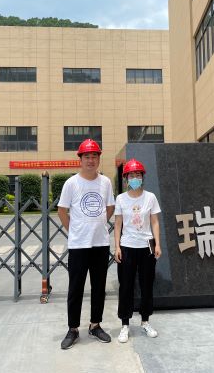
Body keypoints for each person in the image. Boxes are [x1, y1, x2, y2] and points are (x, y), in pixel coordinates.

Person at [58, 139, 115, 350]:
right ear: (80, 159)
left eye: (94, 156)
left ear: (99, 159)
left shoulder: (105, 182)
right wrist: (74, 230)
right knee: (76, 287)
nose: (91, 160)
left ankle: (95, 325)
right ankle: (73, 328)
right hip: (79, 244)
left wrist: (98, 223)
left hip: (100, 243)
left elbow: (110, 207)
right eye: (87, 156)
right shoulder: (71, 183)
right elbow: (62, 211)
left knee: (99, 287)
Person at [114, 158, 161, 343]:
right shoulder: (121, 199)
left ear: (142, 177)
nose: (135, 178)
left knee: (146, 285)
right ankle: (125, 324)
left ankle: (145, 321)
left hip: (147, 247)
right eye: (131, 175)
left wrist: (158, 244)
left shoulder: (150, 197)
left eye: (138, 174)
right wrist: (117, 246)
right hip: (127, 246)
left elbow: (155, 222)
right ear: (126, 178)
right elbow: (118, 224)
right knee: (126, 286)